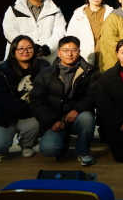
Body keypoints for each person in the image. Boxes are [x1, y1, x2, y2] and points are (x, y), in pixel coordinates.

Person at [30, 36, 99, 166]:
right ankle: (64, 143)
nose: (70, 54)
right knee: (48, 149)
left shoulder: (90, 71)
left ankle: (83, 152)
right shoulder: (45, 74)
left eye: (74, 50)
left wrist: (77, 109)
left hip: (78, 116)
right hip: (56, 118)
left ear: (79, 51)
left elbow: (93, 95)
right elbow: (37, 101)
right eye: (65, 50)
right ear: (59, 52)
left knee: (87, 118)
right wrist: (51, 121)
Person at [0, 35, 49, 158]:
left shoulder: (44, 68)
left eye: (29, 48)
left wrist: (37, 110)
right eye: (21, 48)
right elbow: (2, 99)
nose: (25, 51)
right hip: (4, 114)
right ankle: (4, 143)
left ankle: (27, 144)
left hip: (31, 114)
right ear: (14, 51)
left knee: (36, 122)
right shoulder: (3, 71)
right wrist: (31, 109)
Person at [2, 0, 66, 63]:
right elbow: (10, 31)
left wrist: (46, 49)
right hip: (20, 56)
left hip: (47, 56)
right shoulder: (14, 9)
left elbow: (60, 32)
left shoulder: (54, 9)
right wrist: (27, 48)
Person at [66, 0, 112, 67]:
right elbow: (70, 37)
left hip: (106, 56)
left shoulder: (111, 13)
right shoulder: (78, 14)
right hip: (85, 56)